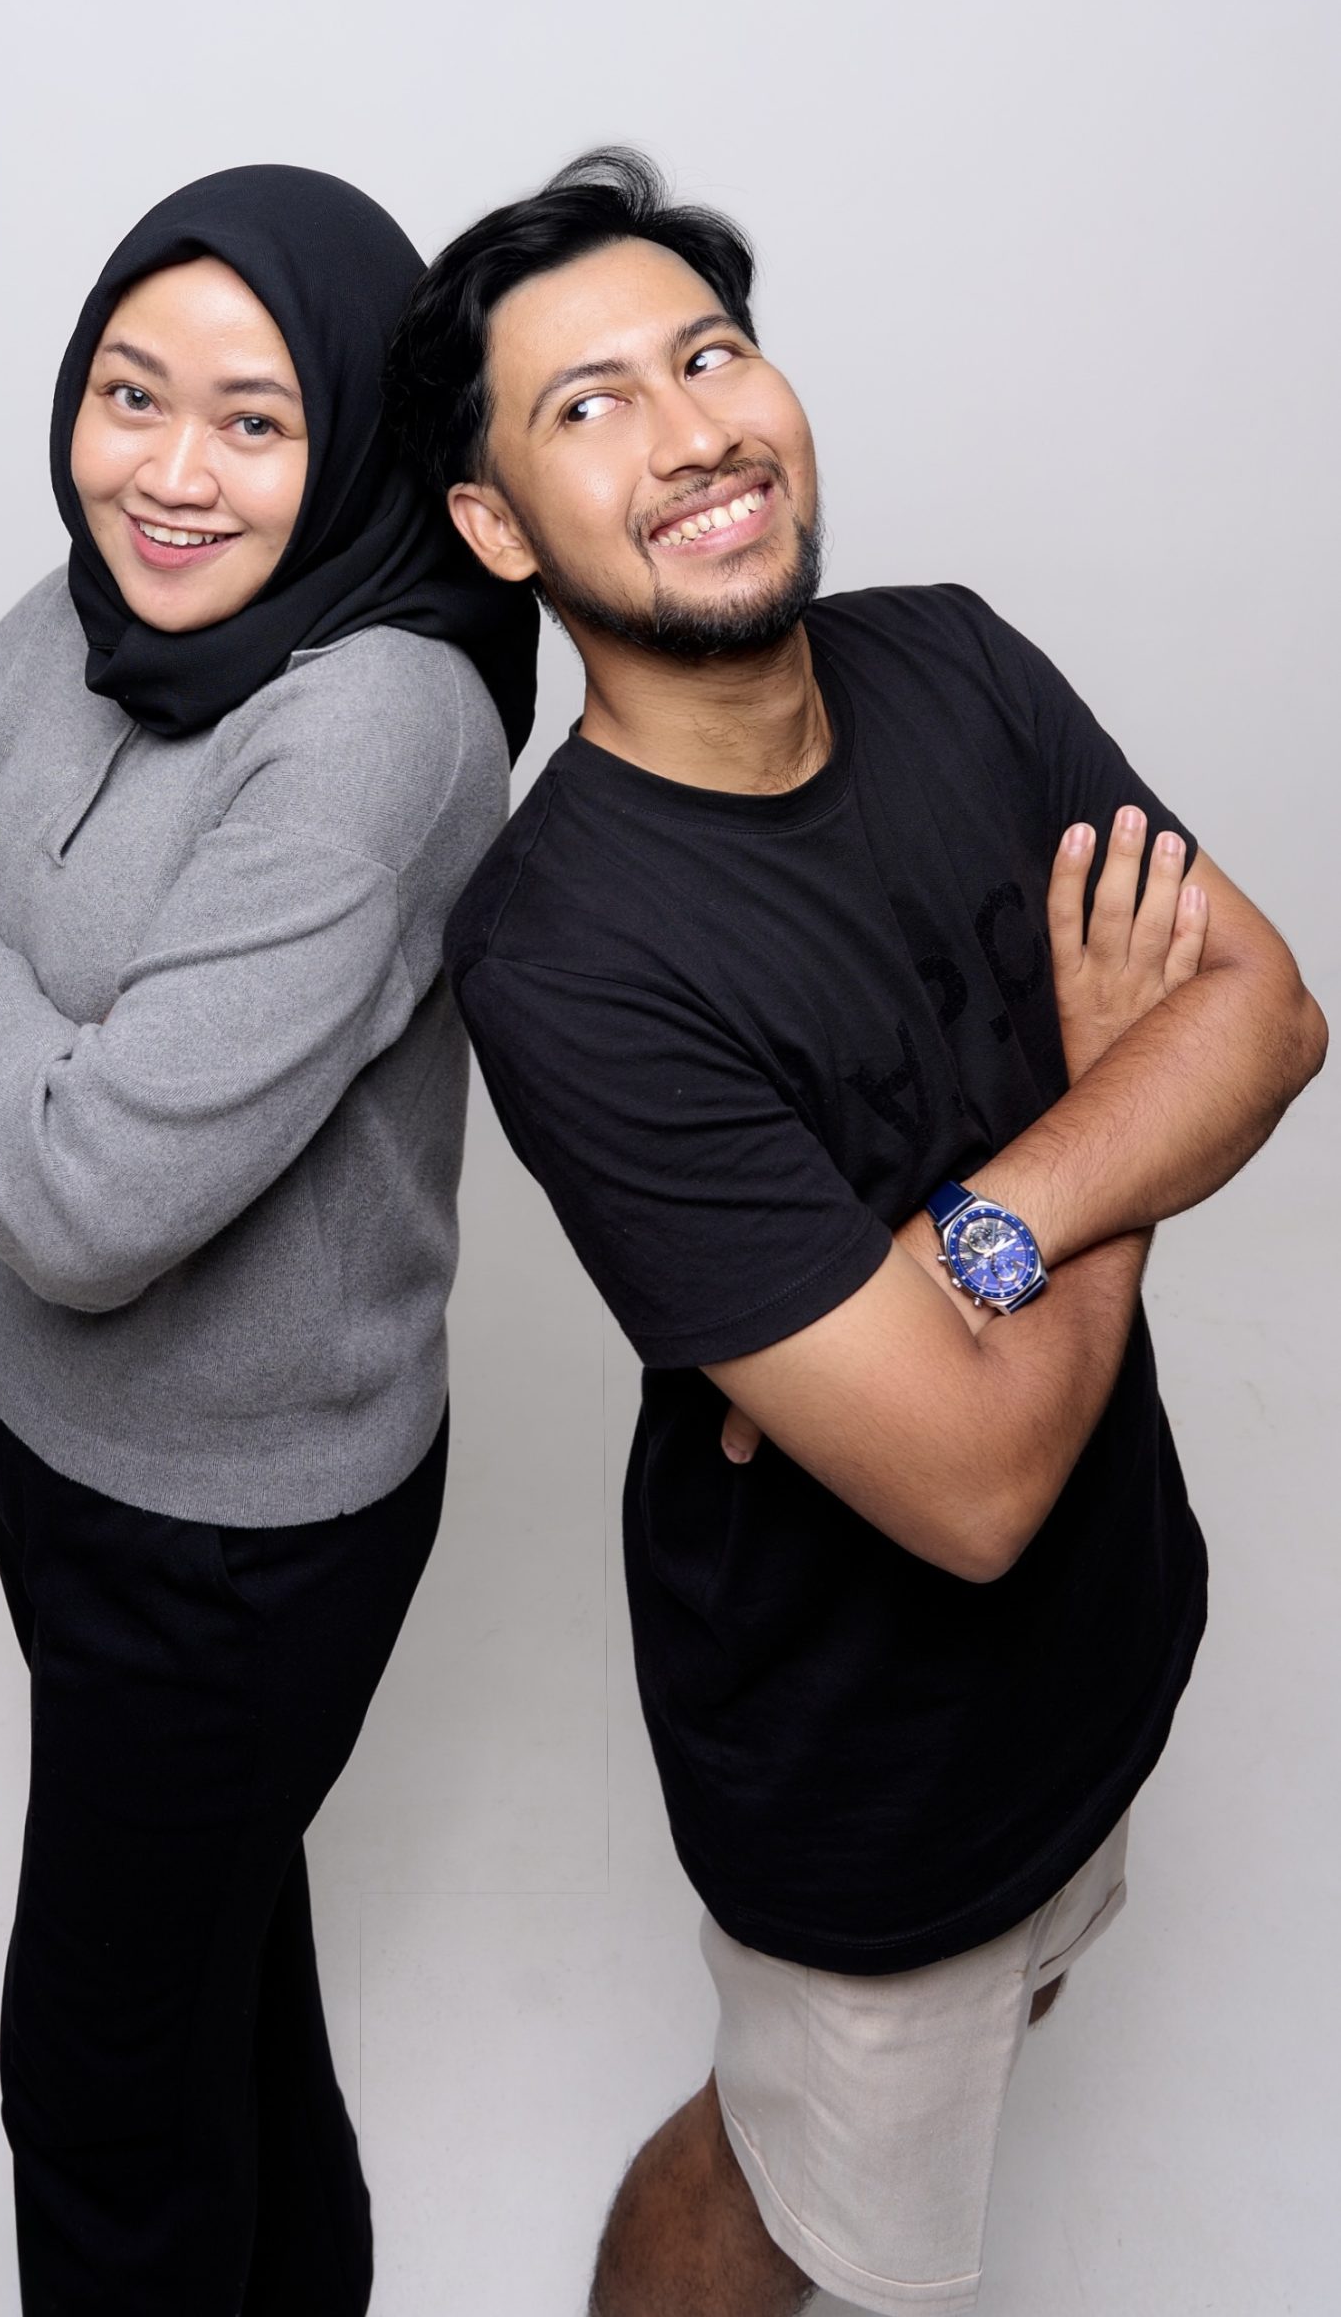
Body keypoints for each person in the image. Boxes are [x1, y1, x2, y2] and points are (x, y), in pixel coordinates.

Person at [383, 148, 1326, 2317]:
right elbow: (972, 1489)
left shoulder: (956, 663)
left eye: (710, 354)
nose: (693, 429)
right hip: (866, 1775)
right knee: (787, 2194)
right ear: (498, 527)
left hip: (1119, 1621)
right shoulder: (564, 951)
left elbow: (1270, 1017)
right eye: (591, 404)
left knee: (1027, 2000)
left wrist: (986, 1228)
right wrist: (1124, 1101)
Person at [0, 164, 537, 2317]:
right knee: (217, 1972)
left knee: (101, 2087)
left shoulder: (379, 725)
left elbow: (91, 1204)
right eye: (129, 395)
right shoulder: (83, 611)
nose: (168, 472)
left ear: (354, 438)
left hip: (237, 1533)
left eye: (251, 417)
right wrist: (27, 1083)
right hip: (42, 1439)